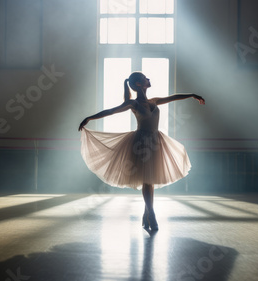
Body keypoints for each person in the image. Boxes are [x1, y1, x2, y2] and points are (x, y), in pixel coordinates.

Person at [78, 72, 205, 231]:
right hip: (141, 143)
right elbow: (111, 111)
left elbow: (173, 97)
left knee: (149, 180)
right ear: (139, 84)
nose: (149, 79)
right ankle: (151, 214)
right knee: (147, 180)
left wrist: (192, 95)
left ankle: (146, 214)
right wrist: (89, 118)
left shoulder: (154, 101)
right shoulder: (133, 104)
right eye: (146, 78)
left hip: (156, 141)